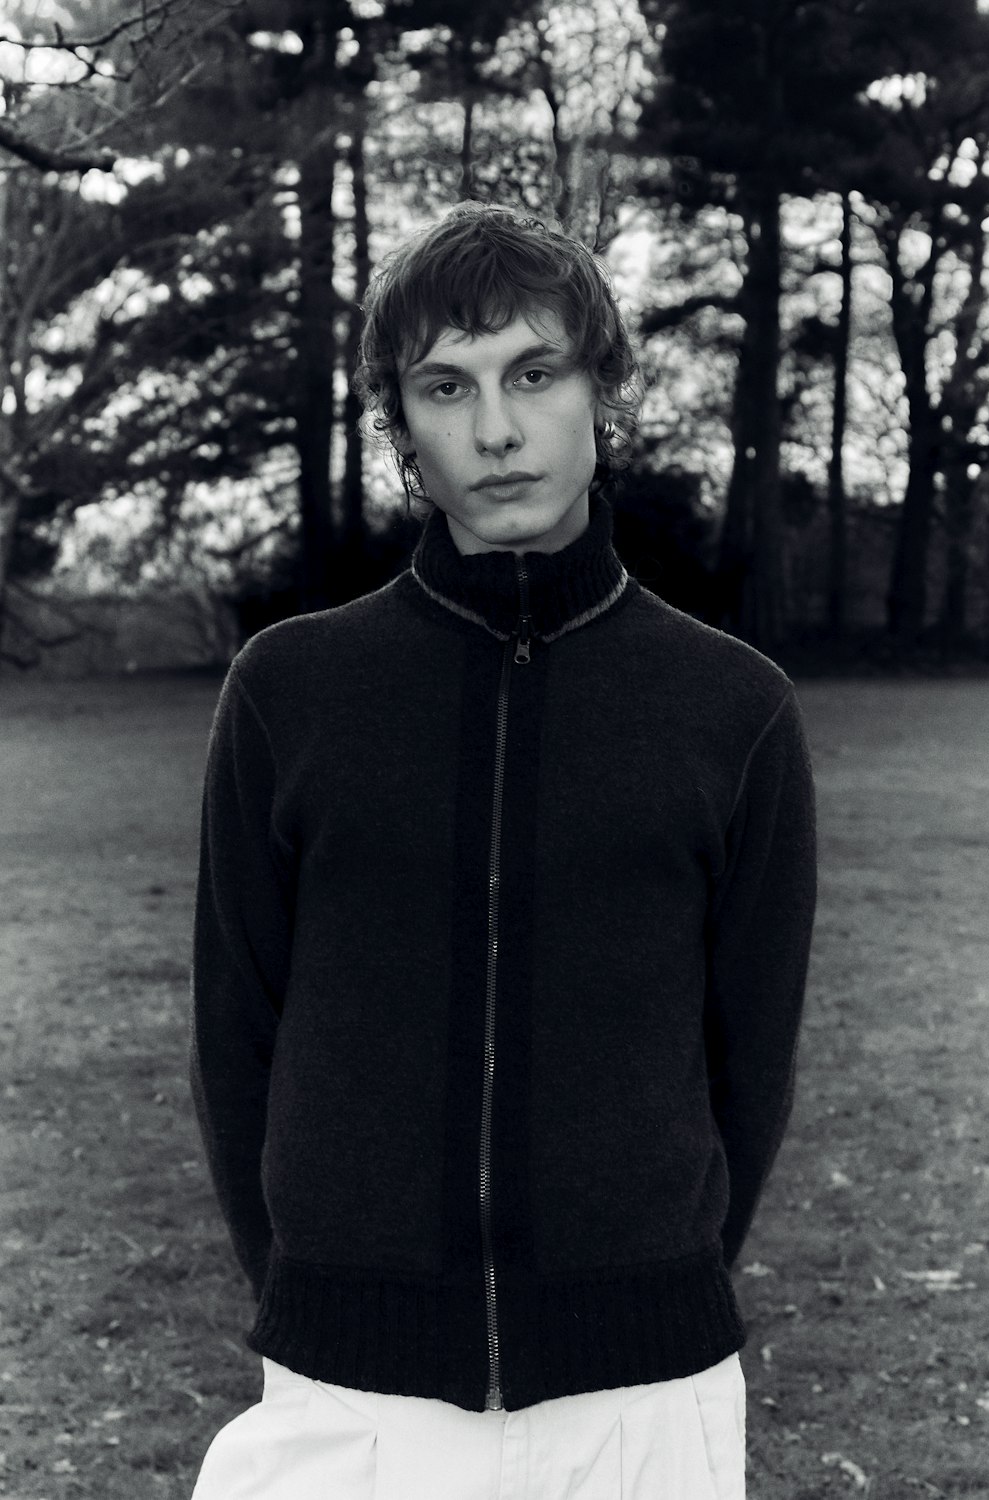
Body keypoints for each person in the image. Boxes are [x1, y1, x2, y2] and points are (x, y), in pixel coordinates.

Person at [188, 203, 817, 1500]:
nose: (495, 429)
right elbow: (233, 1037)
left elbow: (748, 1068)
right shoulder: (289, 692)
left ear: (605, 388)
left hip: (642, 1405)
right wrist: (318, 1286)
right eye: (445, 387)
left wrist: (637, 1281)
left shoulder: (734, 709)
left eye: (534, 374)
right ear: (402, 426)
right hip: (349, 1400)